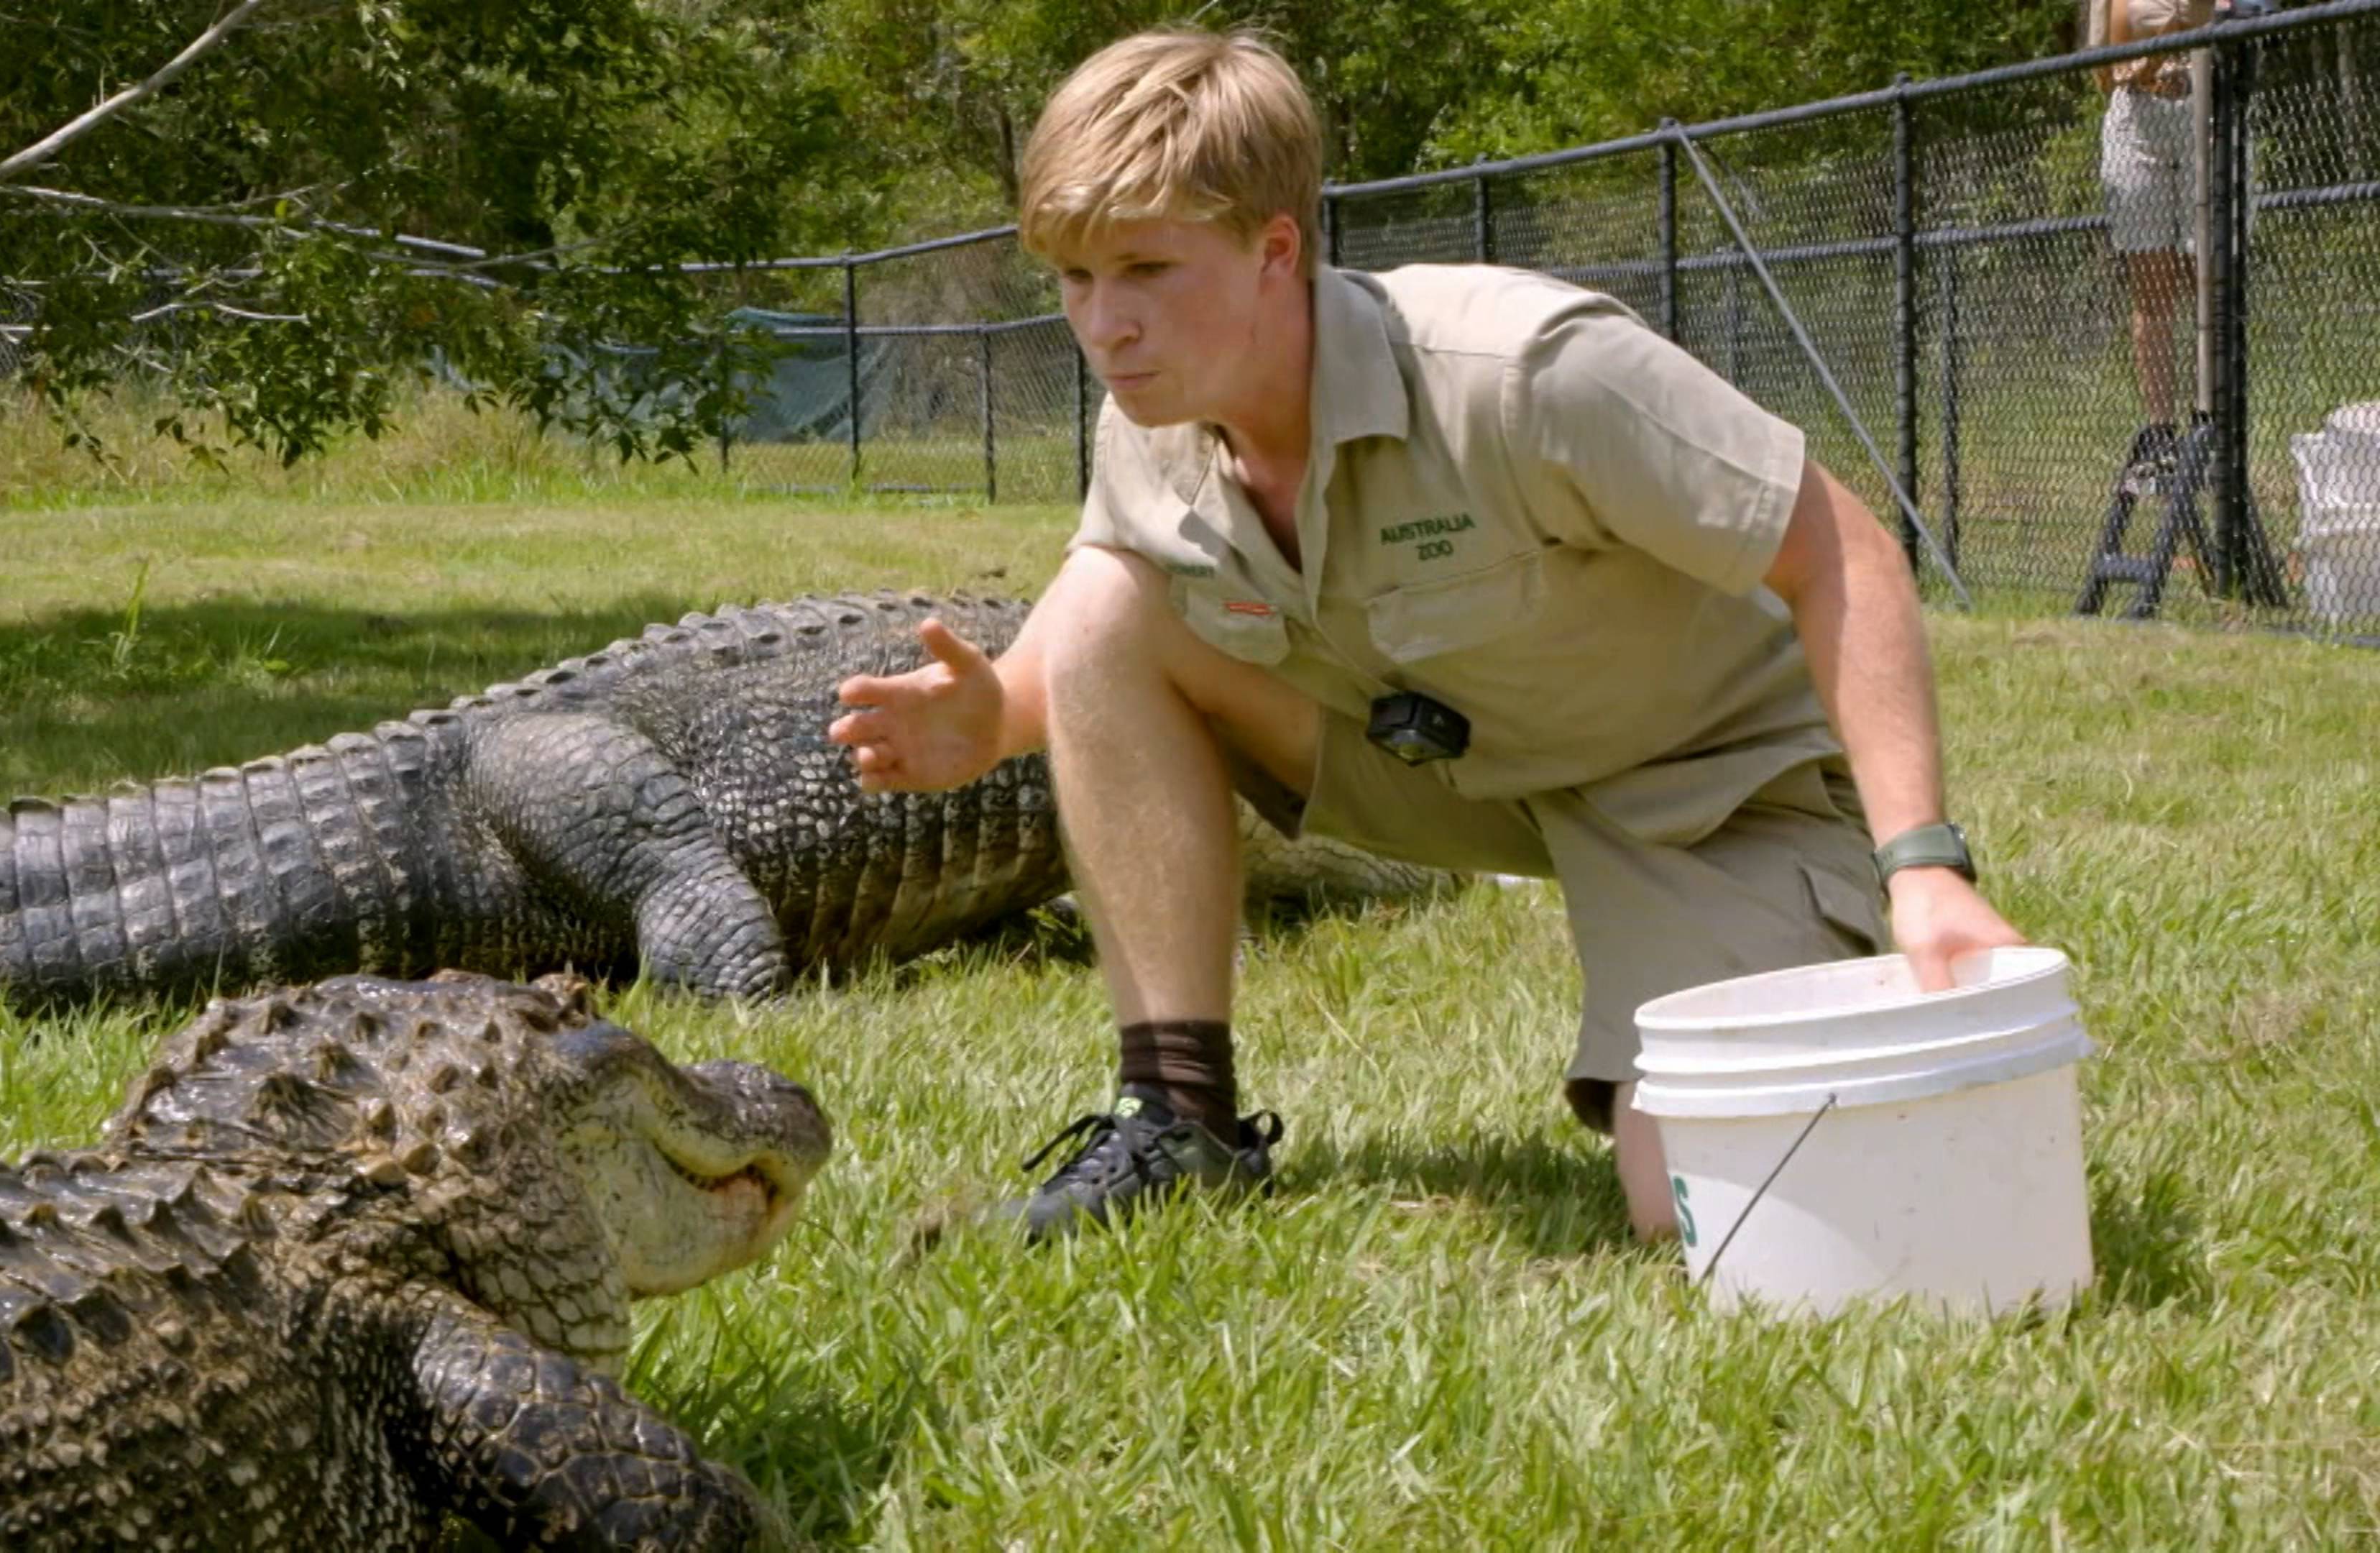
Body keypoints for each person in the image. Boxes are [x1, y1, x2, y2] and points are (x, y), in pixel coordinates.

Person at [826, 27, 2028, 1244]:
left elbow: (1842, 551)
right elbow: (1097, 640)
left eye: (1145, 268)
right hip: (1441, 773)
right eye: (1074, 279)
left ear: (1274, 252)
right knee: (1101, 597)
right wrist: (1000, 714)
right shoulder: (1155, 418)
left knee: (1699, 1205)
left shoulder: (1526, 372)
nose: (1104, 324)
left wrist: (1922, 860)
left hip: (1706, 793)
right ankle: (1179, 1119)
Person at [2095, 0, 2231, 475]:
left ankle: (2209, 423)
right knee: (2154, 291)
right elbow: (2105, 70)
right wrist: (2153, 63)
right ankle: (2160, 434)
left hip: (2209, 119)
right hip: (2140, 126)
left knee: (2209, 281)